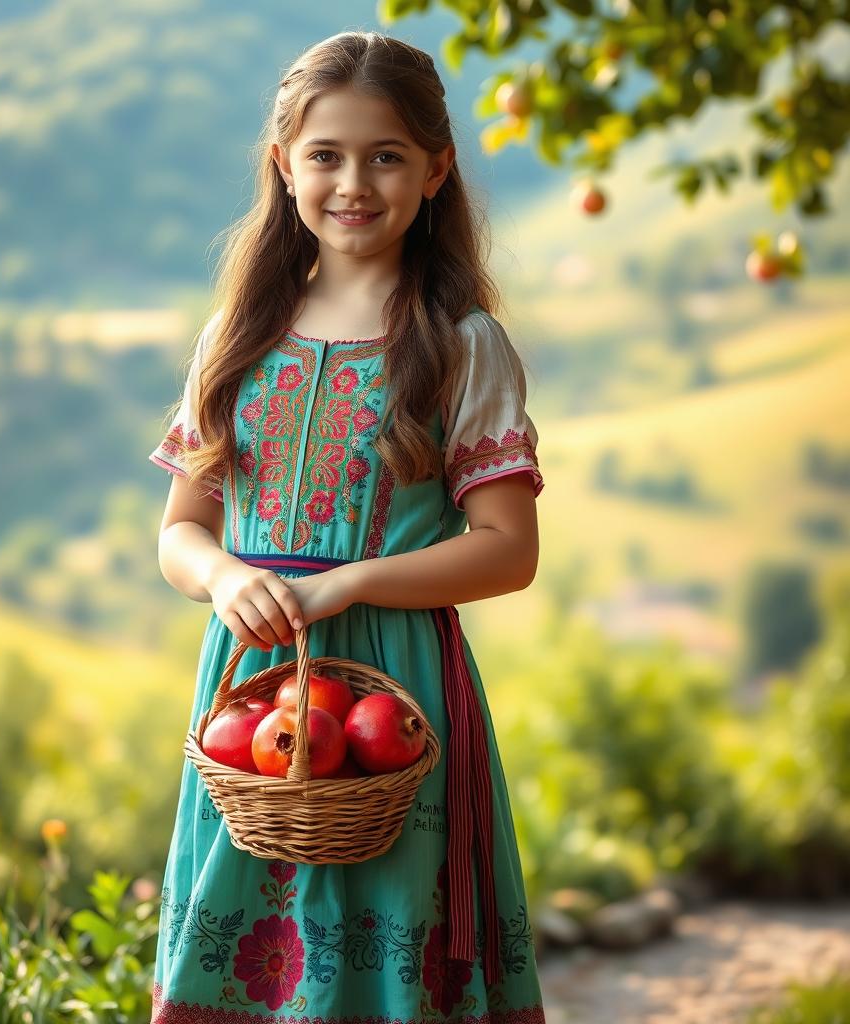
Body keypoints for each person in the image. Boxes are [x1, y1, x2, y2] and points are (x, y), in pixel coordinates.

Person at [147, 29, 547, 1023]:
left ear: (435, 169)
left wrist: (351, 582)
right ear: (284, 167)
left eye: (386, 156)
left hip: (393, 686)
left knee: (380, 941)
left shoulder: (461, 343)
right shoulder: (237, 334)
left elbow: (508, 548)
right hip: (249, 686)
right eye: (325, 155)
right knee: (243, 931)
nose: (352, 182)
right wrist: (224, 575)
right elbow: (180, 530)